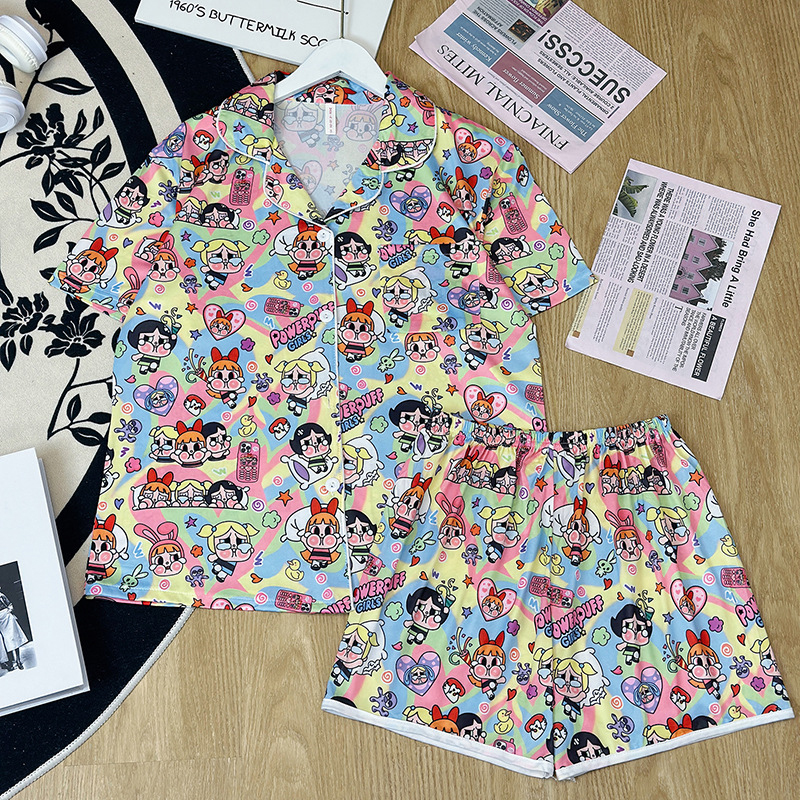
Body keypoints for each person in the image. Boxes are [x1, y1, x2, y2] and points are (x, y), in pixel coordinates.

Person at [0, 583, 29, 671]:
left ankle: (18, 660)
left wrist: (9, 611)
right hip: (0, 621)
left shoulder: (1, 596)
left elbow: (9, 604)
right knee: (4, 642)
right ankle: (9, 662)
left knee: (13, 638)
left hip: (7, 617)